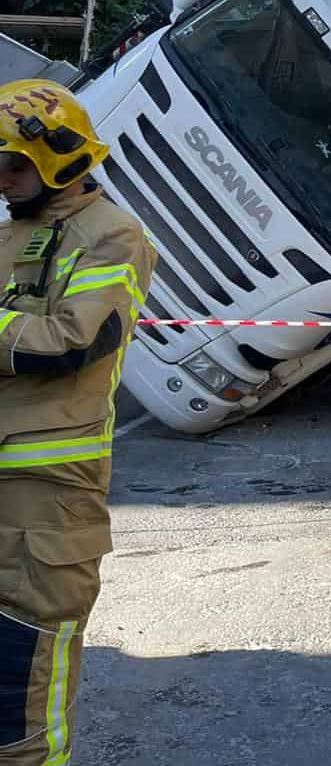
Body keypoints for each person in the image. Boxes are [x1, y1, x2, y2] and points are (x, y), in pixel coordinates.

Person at [0, 79, 155, 764]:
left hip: (47, 500)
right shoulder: (13, 234)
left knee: (21, 688)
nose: (1, 179)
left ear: (58, 157)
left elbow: (70, 341)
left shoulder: (114, 237)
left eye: (11, 164)